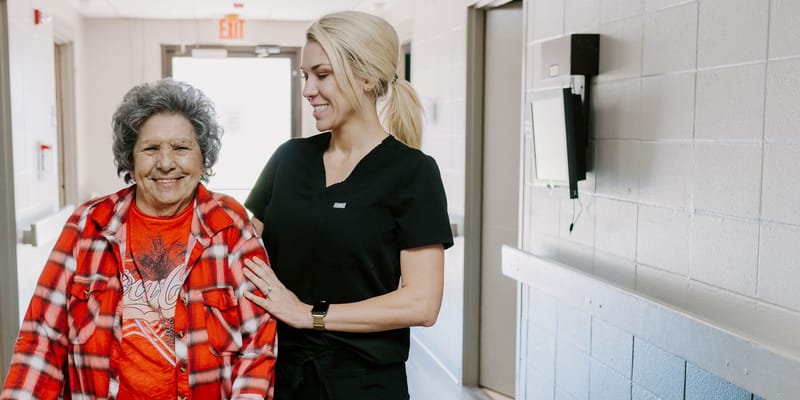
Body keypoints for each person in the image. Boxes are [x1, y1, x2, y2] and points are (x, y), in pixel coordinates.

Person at [1, 79, 277, 400]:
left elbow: (258, 346)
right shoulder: (87, 224)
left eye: (181, 148)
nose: (165, 163)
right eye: (150, 149)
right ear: (130, 160)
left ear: (203, 158)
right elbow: (41, 338)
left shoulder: (230, 226)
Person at [242, 10, 454, 400]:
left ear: (366, 77)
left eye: (322, 75)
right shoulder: (289, 159)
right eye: (305, 76)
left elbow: (422, 303)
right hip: (279, 377)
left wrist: (309, 314)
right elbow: (240, 253)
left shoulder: (412, 173)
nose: (308, 90)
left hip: (364, 384)